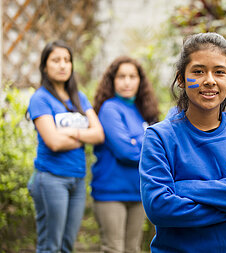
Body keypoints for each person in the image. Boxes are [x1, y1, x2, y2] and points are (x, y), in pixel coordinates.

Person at [139, 32, 226, 253]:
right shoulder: (160, 137)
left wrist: (183, 188)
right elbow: (159, 208)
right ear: (181, 79)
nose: (210, 80)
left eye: (219, 72)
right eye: (198, 71)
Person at [27, 40, 105, 252]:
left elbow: (98, 134)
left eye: (67, 60)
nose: (62, 65)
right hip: (51, 179)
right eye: (56, 60)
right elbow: (53, 142)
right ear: (44, 66)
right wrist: (83, 137)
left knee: (67, 245)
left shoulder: (78, 97)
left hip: (77, 179)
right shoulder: (40, 99)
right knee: (50, 246)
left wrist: (71, 133)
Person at [91, 56, 159, 253]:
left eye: (132, 76)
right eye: (121, 76)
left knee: (133, 249)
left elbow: (158, 148)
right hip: (111, 192)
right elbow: (126, 152)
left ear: (140, 81)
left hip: (138, 192)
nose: (127, 81)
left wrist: (136, 142)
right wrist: (144, 146)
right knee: (113, 248)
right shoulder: (110, 108)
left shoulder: (143, 110)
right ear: (112, 80)